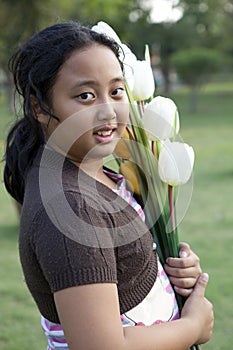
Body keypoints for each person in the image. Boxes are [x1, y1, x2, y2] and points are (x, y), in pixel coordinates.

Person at [4, 22, 213, 350]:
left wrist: (168, 270)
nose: (108, 109)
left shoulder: (105, 177)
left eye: (116, 91)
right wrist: (193, 325)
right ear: (39, 107)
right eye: (85, 95)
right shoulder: (71, 207)